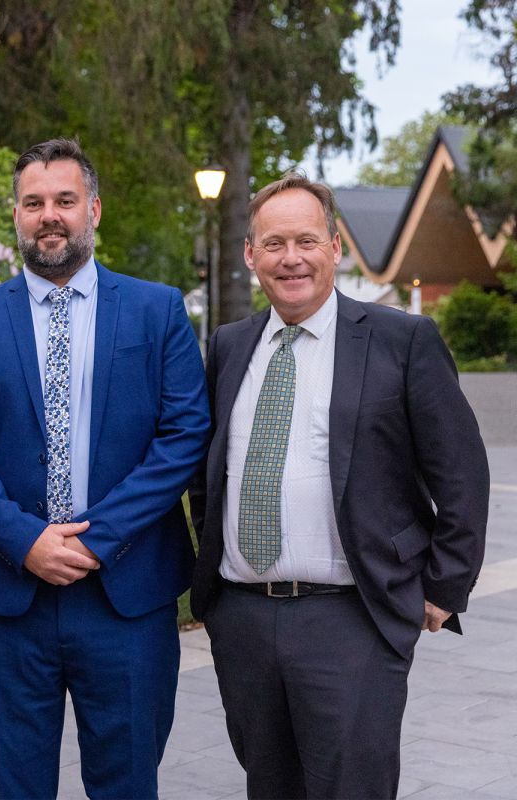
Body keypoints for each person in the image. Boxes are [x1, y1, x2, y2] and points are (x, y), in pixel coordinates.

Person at [189, 172, 490, 799]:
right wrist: (215, 596)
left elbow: (462, 473)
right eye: (273, 244)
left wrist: (443, 588)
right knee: (269, 787)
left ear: (334, 247)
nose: (290, 258)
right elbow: (207, 476)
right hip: (243, 620)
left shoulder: (402, 340)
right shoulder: (229, 346)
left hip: (353, 618)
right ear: (250, 254)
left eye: (306, 241)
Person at [0, 138, 210, 799]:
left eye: (64, 200)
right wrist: (26, 539)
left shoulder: (157, 310)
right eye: (33, 203)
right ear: (16, 215)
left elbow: (183, 434)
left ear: (94, 210)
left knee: (127, 783)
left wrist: (97, 539)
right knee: (15, 786)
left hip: (127, 593)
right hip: (9, 595)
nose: (49, 215)